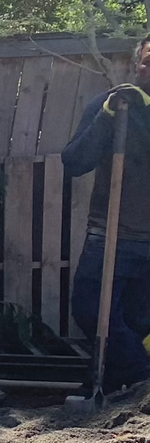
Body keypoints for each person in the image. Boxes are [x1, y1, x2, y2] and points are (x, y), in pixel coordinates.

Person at [62, 38, 150, 391]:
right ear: (136, 65)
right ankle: (138, 378)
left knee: (136, 322)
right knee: (90, 310)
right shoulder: (112, 105)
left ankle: (119, 387)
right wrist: (108, 116)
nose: (149, 68)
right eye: (146, 60)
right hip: (111, 237)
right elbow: (75, 162)